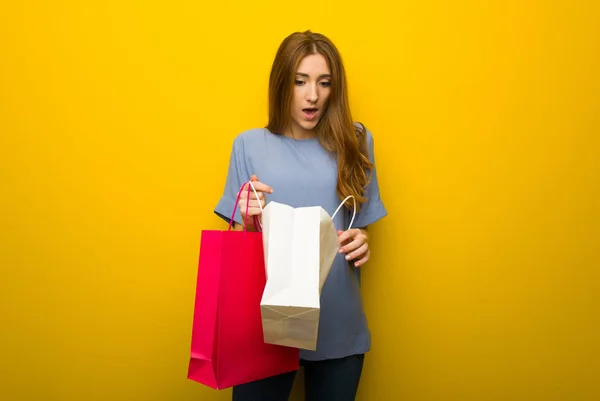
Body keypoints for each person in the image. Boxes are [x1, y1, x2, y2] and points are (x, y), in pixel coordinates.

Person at [213, 30, 387, 401]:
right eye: (300, 81)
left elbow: (356, 228)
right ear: (282, 84)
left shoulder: (356, 141)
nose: (313, 96)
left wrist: (361, 240)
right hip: (264, 330)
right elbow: (239, 246)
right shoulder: (248, 145)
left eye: (324, 83)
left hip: (338, 327)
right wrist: (246, 219)